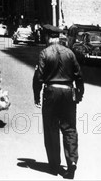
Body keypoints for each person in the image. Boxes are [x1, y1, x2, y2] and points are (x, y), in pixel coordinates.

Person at [33, 24, 84, 179]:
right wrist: (80, 93)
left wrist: (36, 95)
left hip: (51, 93)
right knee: (69, 128)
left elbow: (38, 77)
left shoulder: (44, 53)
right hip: (69, 92)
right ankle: (72, 162)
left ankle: (54, 165)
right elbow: (79, 75)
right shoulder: (70, 53)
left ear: (48, 37)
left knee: (51, 129)